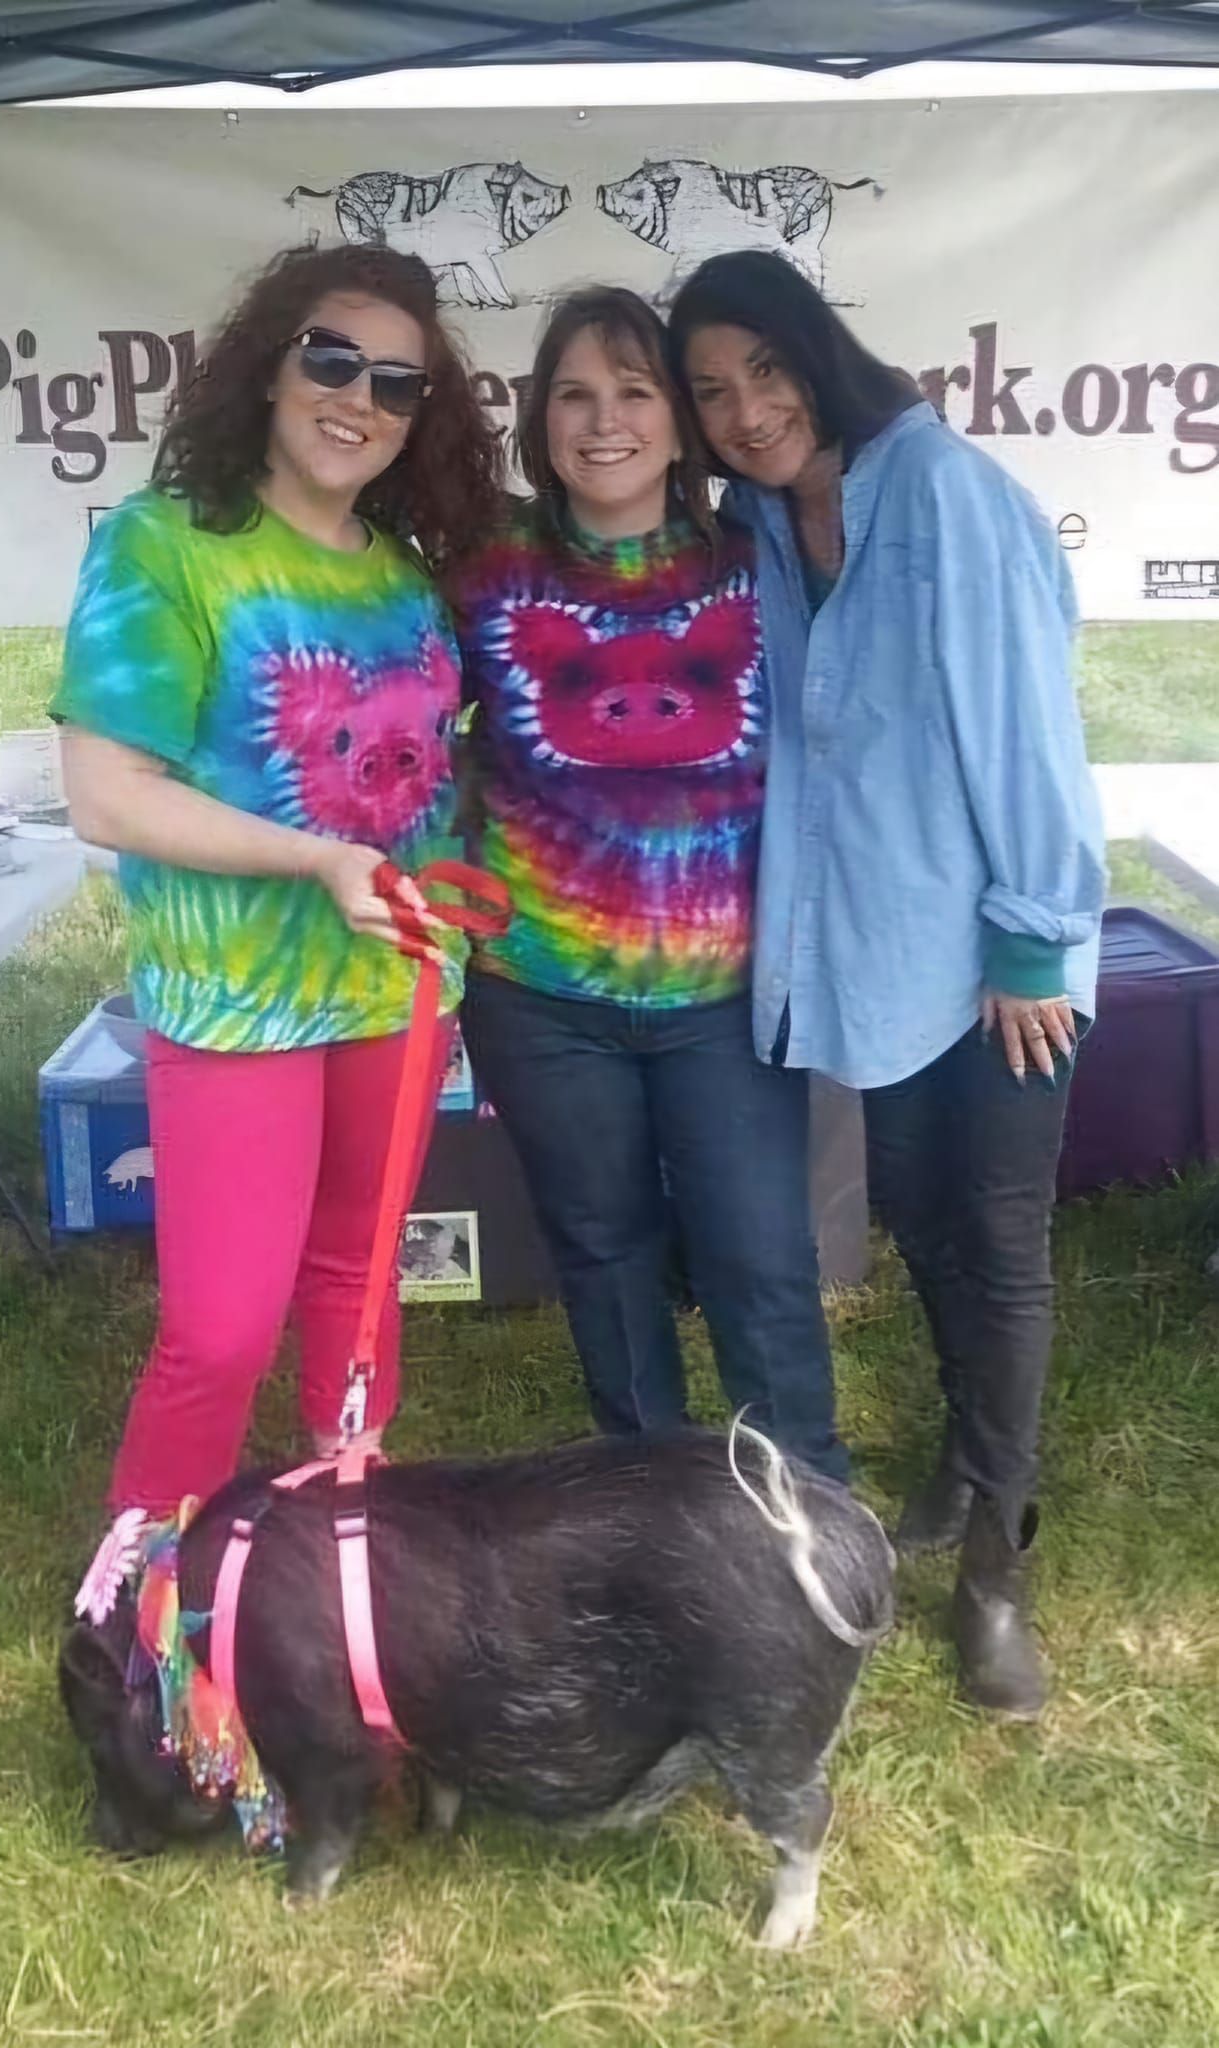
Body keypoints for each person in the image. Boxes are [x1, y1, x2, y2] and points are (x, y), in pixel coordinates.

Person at [668, 251, 1106, 1717]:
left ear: (816, 354)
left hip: (1000, 960)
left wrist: (1034, 934)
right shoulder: (760, 526)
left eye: (765, 372)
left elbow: (1026, 726)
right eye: (711, 391)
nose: (743, 410)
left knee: (995, 1245)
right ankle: (962, 1457)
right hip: (880, 958)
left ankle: (993, 1566)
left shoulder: (939, 495)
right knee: (920, 1225)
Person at [55, 243, 503, 1608]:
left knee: (358, 1296)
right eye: (330, 358)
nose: (356, 398)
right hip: (235, 997)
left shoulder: (405, 576)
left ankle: (330, 1573)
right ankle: (137, 1618)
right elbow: (105, 795)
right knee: (220, 1324)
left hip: (397, 991)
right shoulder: (168, 543)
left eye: (396, 382)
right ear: (266, 364)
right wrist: (317, 860)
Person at [450, 286, 844, 1480]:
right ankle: (653, 1502)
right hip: (537, 990)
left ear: (681, 422)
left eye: (634, 392)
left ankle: (811, 1505)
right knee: (603, 1250)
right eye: (574, 393)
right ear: (538, 419)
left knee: (758, 1252)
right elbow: (407, 736)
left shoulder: (756, 560)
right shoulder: (481, 573)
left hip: (722, 996)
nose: (603, 420)